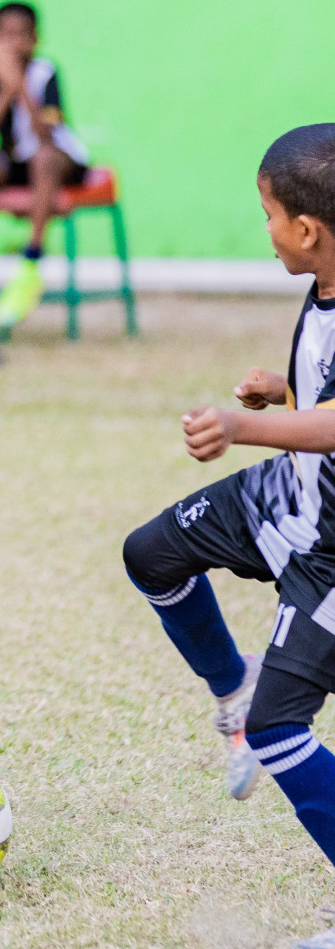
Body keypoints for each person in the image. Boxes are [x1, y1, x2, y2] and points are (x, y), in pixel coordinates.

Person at [120, 124, 335, 949]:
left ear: (307, 230)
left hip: (332, 551)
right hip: (292, 495)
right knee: (152, 553)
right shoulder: (326, 279)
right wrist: (287, 389)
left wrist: (246, 424)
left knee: (282, 731)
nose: (266, 229)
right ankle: (232, 686)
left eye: (268, 214)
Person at [0, 1, 90, 331]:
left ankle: (31, 261)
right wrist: (5, 89)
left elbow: (47, 137)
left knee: (44, 159)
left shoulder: (46, 73)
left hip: (56, 162)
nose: (15, 43)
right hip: (13, 164)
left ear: (35, 39)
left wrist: (22, 88)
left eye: (22, 35)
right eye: (7, 35)